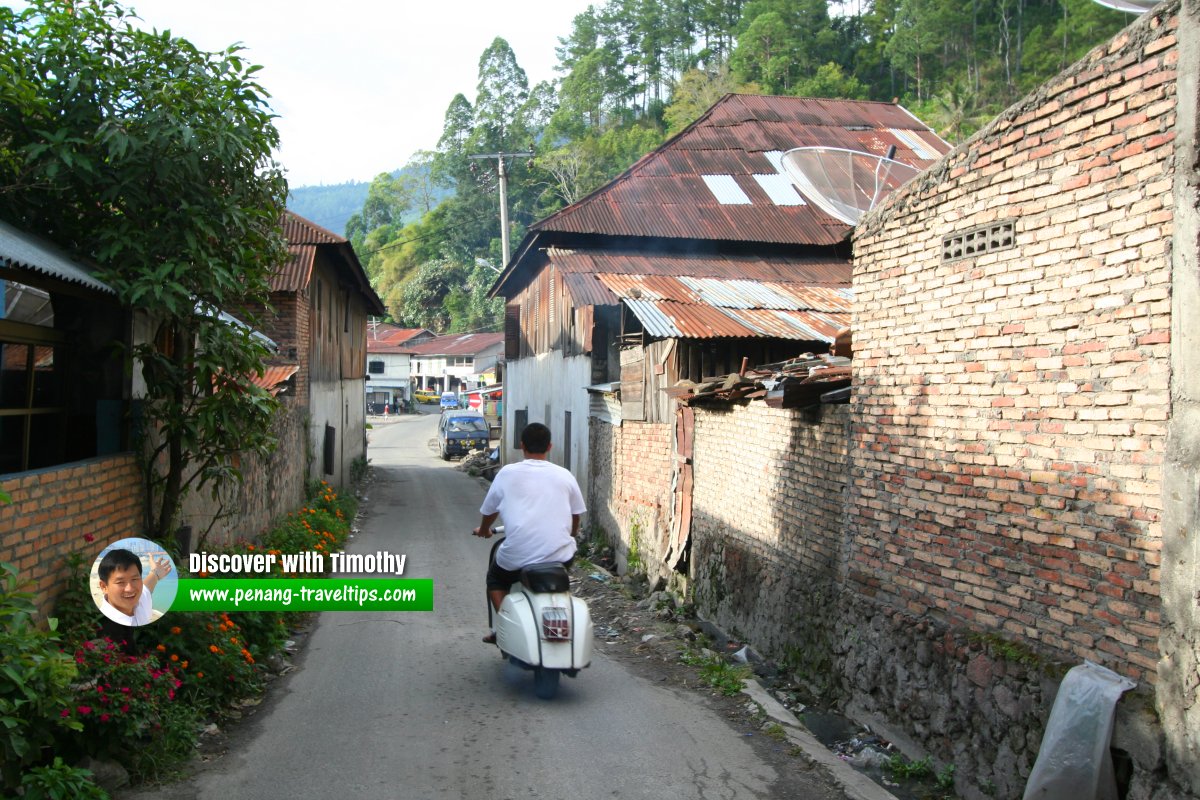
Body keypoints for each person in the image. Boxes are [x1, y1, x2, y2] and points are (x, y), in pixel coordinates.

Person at [473, 422, 585, 644]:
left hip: (518, 554)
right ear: (550, 446)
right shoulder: (564, 475)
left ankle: (504, 625)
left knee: (495, 580)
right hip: (561, 555)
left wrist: (485, 530)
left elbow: (489, 510)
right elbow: (576, 514)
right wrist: (571, 534)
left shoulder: (507, 473)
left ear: (521, 445)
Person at [97, 548, 172, 626]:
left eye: (134, 579)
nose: (130, 589)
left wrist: (155, 573)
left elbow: (147, 587)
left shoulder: (140, 601)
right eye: (120, 582)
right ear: (104, 587)